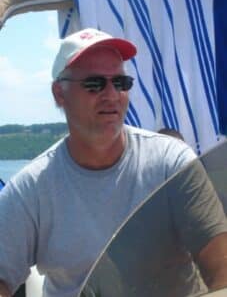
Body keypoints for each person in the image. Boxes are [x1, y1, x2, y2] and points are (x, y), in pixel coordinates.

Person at [0, 28, 227, 297]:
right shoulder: (30, 189)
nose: (111, 94)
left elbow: (220, 265)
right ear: (59, 94)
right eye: (94, 84)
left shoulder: (172, 163)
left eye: (121, 83)